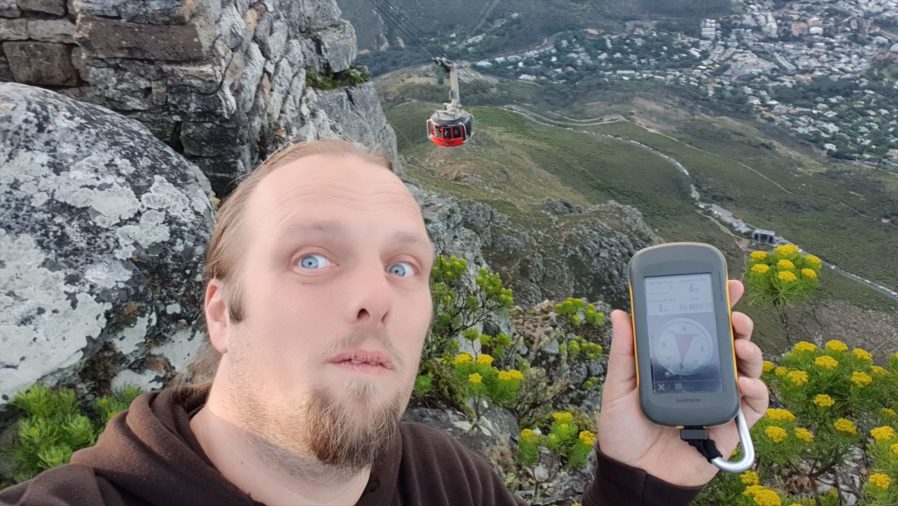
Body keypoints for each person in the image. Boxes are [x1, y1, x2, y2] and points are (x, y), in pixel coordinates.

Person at [0, 139, 769, 505]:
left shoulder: (446, 480)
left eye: (404, 268)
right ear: (221, 313)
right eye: (311, 259)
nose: (376, 297)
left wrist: (643, 481)